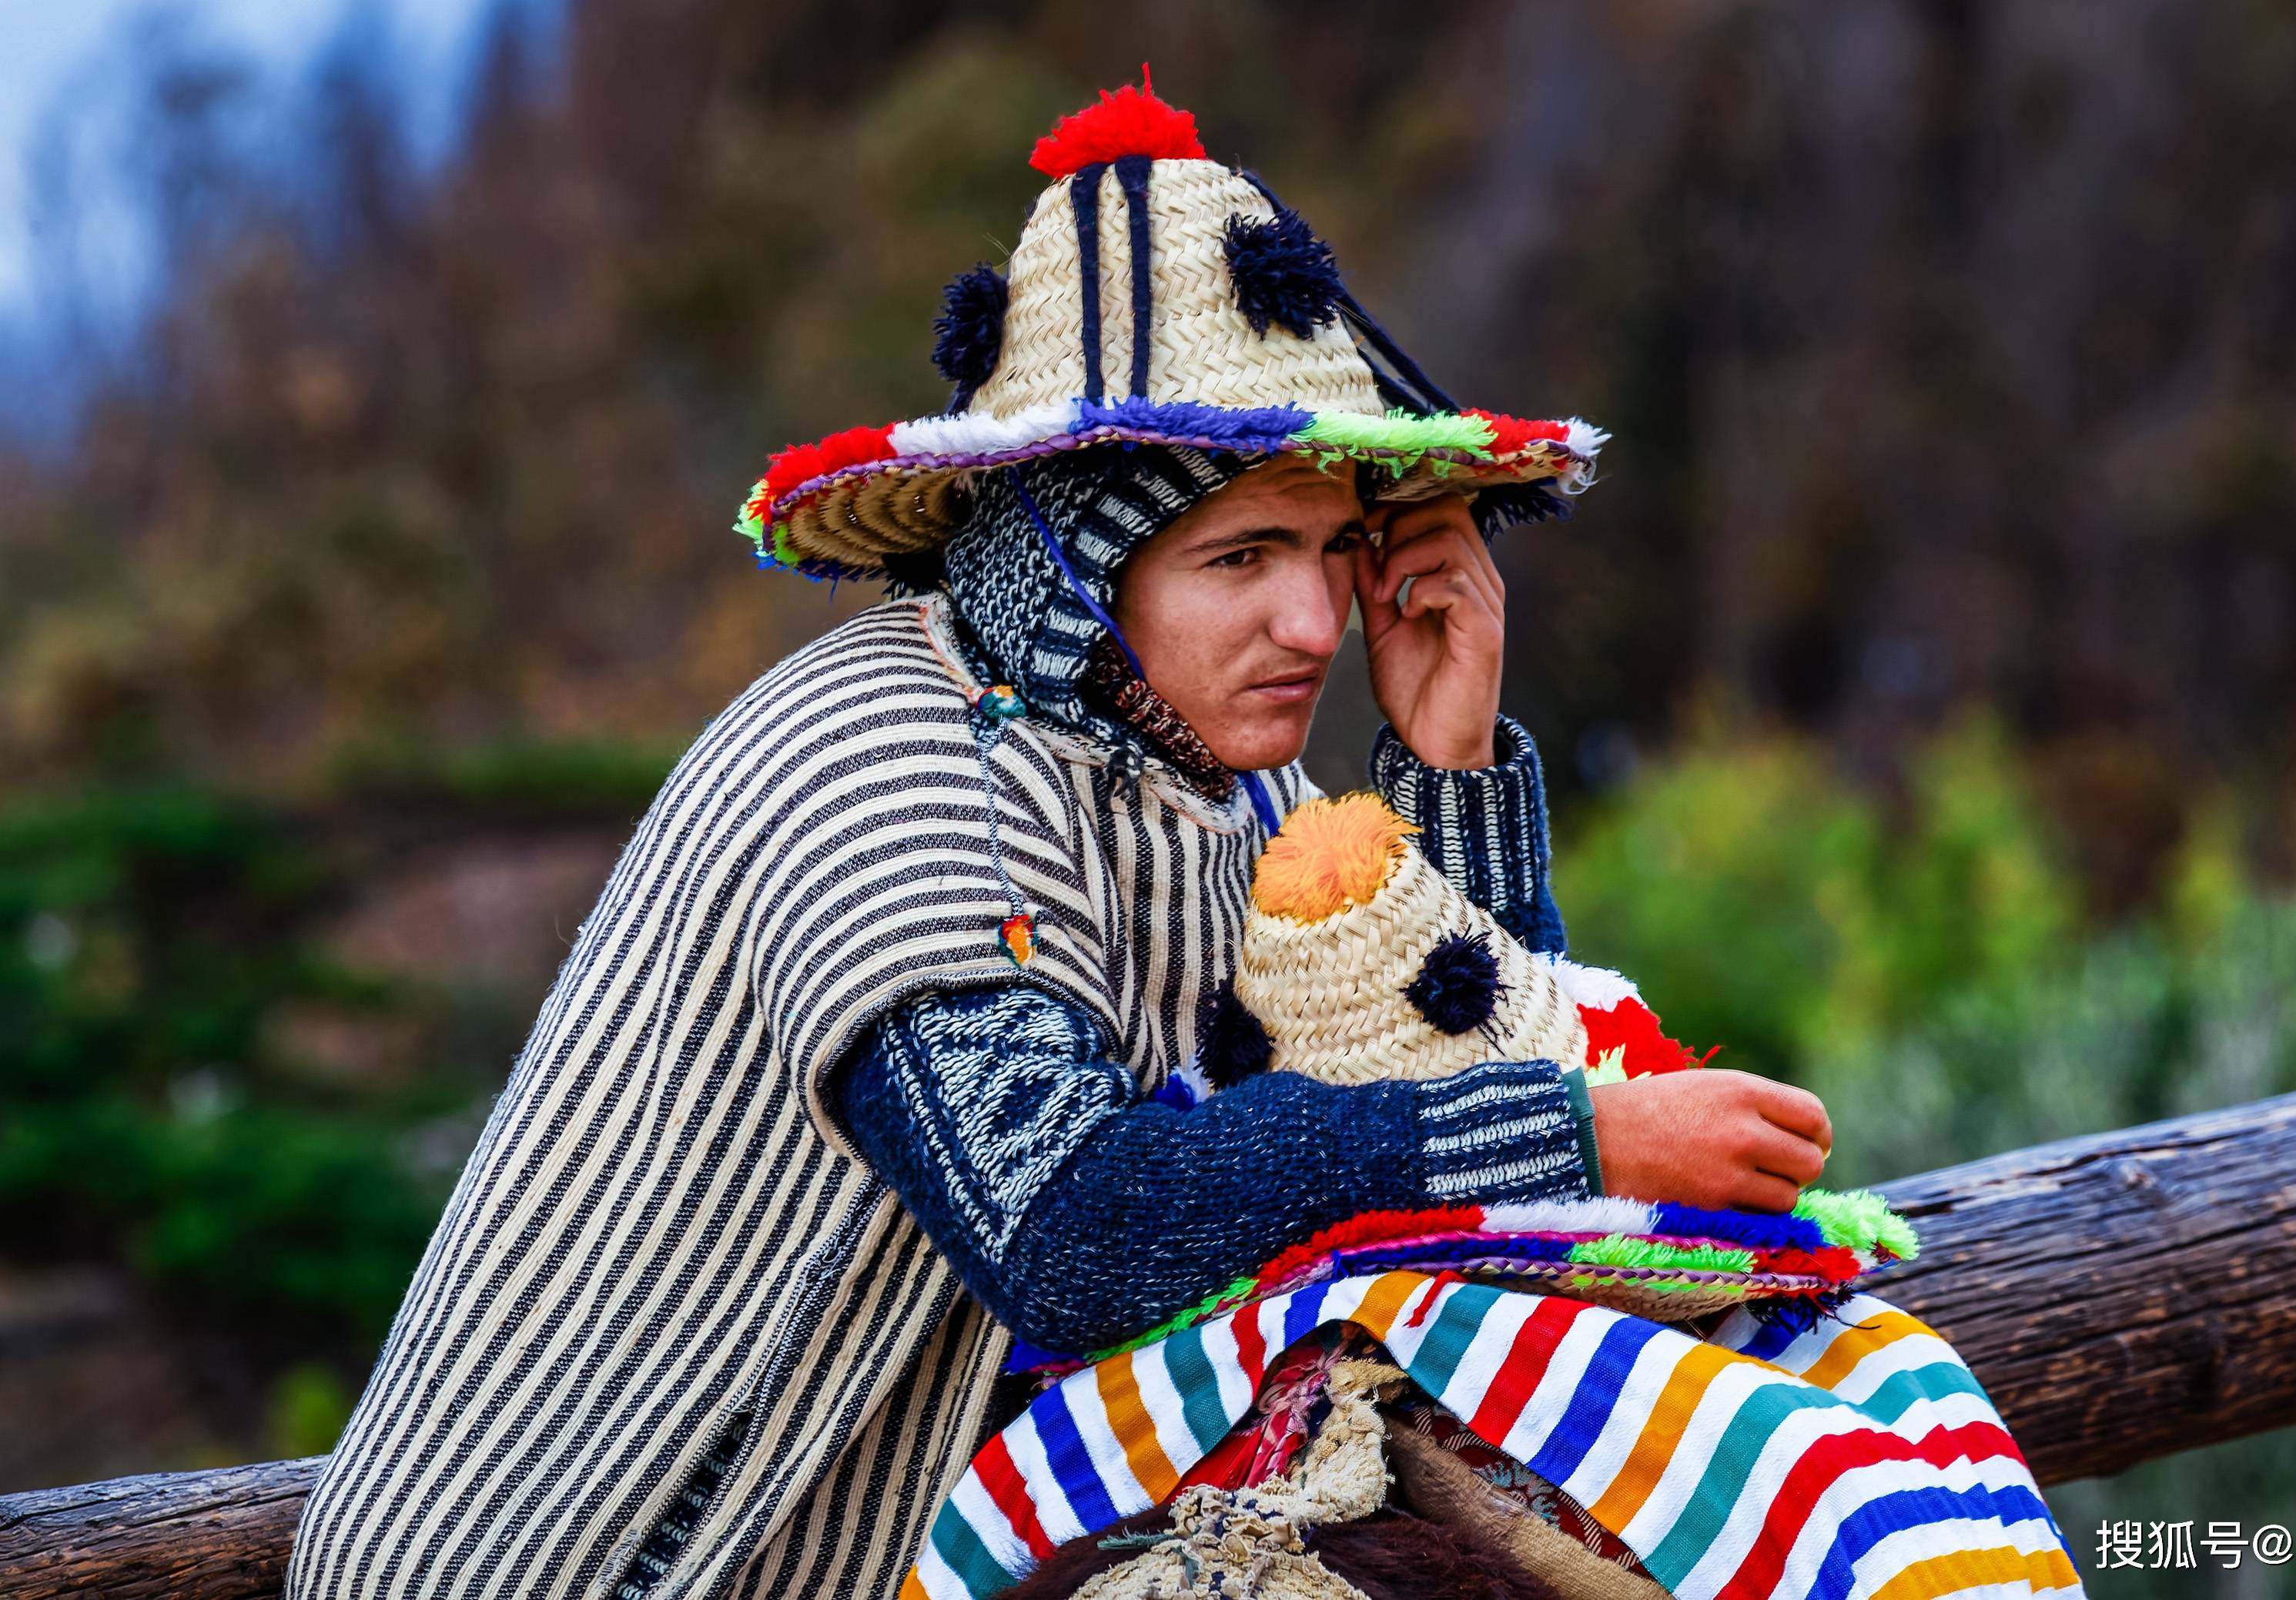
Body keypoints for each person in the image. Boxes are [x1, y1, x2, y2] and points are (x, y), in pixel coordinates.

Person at [289, 81, 2066, 1600]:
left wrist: (1444, 768)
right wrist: (1587, 1130)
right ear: (1068, 563)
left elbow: (1420, 1073)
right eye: (1239, 557)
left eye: (1331, 545)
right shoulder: (883, 779)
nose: (1311, 619)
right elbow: (1083, 1228)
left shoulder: (1202, 780)